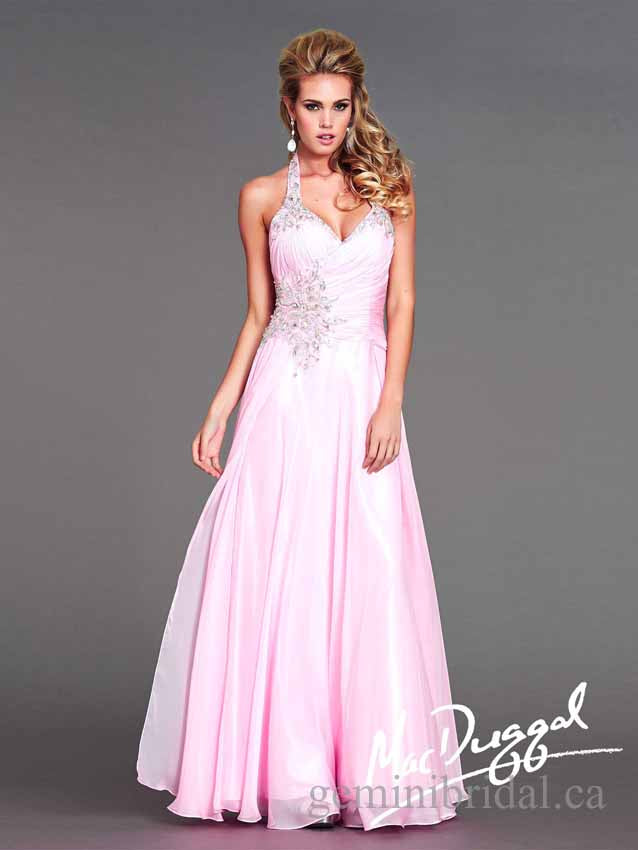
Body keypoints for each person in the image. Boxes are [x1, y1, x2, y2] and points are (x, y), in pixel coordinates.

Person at [136, 27, 469, 831]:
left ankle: (367, 774)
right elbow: (260, 313)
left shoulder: (392, 185)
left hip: (362, 393)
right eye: (313, 106)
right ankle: (289, 771)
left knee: (368, 568)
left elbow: (403, 301)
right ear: (289, 108)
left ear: (356, 107)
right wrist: (221, 405)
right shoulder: (261, 197)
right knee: (284, 569)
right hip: (285, 395)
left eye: (340, 106)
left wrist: (391, 400)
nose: (327, 122)